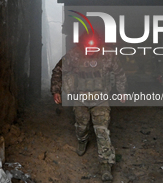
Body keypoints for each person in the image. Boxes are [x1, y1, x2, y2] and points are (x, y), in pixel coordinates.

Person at [50, 32, 127, 181]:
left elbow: (120, 73)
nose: (90, 50)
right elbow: (58, 70)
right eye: (87, 46)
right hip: (80, 99)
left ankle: (106, 166)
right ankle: (82, 140)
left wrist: (122, 91)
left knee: (102, 131)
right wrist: (56, 91)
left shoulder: (107, 55)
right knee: (82, 125)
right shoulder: (74, 55)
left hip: (101, 100)